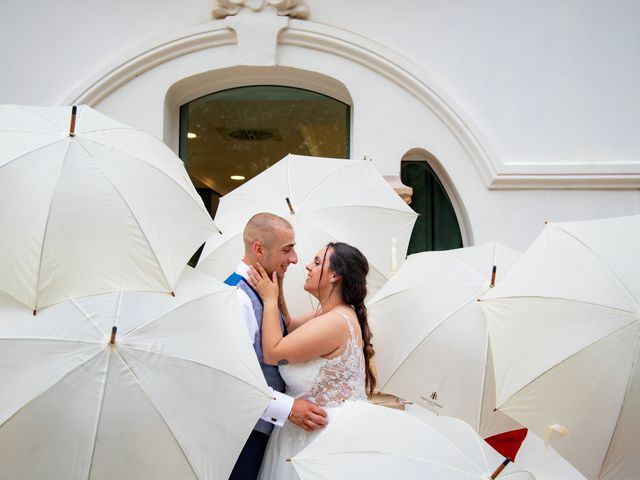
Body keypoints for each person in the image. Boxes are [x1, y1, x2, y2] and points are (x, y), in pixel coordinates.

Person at [247, 241, 376, 480]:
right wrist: (279, 291)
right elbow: (289, 325)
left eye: (317, 262)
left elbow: (274, 351)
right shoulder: (328, 313)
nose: (307, 266)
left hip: (319, 438)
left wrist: (269, 299)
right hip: (302, 433)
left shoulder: (336, 322)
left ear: (335, 275)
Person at [225, 213, 328, 480]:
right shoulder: (237, 298)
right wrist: (288, 408)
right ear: (259, 249)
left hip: (262, 432)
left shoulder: (261, 290)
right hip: (241, 438)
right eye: (287, 249)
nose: (294, 259)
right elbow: (232, 378)